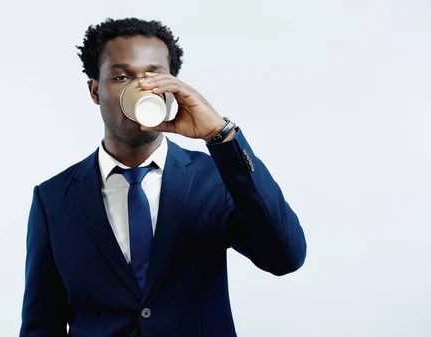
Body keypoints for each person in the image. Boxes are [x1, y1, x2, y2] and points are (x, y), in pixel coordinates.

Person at [19, 17, 307, 337]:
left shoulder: (216, 177)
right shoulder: (53, 198)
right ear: (95, 90)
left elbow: (286, 257)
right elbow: (41, 324)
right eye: (121, 76)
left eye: (154, 75)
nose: (141, 87)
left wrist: (220, 135)